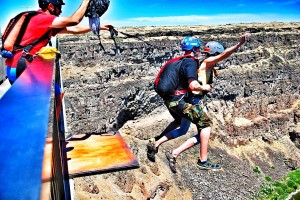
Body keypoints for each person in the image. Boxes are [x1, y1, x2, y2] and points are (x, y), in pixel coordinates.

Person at [147, 32, 250, 173]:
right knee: (205, 127)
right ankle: (202, 161)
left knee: (183, 129)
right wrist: (239, 44)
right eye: (217, 55)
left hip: (185, 100)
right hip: (192, 102)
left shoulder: (201, 63)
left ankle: (161, 146)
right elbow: (224, 55)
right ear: (214, 54)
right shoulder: (206, 62)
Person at [4, 0, 112, 84]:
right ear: (51, 6)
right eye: (59, 7)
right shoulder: (43, 19)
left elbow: (74, 30)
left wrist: (100, 27)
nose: (61, 11)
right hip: (22, 69)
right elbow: (74, 20)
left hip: (12, 67)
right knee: (29, 107)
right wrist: (86, 1)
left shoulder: (43, 22)